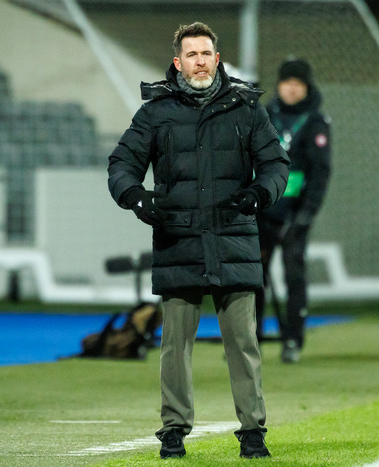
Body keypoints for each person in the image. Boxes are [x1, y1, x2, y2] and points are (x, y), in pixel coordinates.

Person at [107, 22, 289, 459]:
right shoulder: (156, 112)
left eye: (206, 53)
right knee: (174, 348)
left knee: (243, 345)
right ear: (178, 63)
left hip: (233, 237)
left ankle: (253, 432)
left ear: (217, 58)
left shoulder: (246, 108)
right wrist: (134, 197)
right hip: (179, 240)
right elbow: (122, 164)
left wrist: (260, 192)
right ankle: (173, 429)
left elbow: (276, 164)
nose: (200, 61)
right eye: (191, 55)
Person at [255, 58, 331, 364]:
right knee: (251, 277)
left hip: (294, 216)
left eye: (298, 83)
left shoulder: (316, 122)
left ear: (307, 87)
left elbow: (320, 173)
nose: (291, 88)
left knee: (293, 275)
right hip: (261, 212)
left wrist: (305, 216)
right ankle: (249, 340)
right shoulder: (263, 115)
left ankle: (292, 340)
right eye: (287, 82)